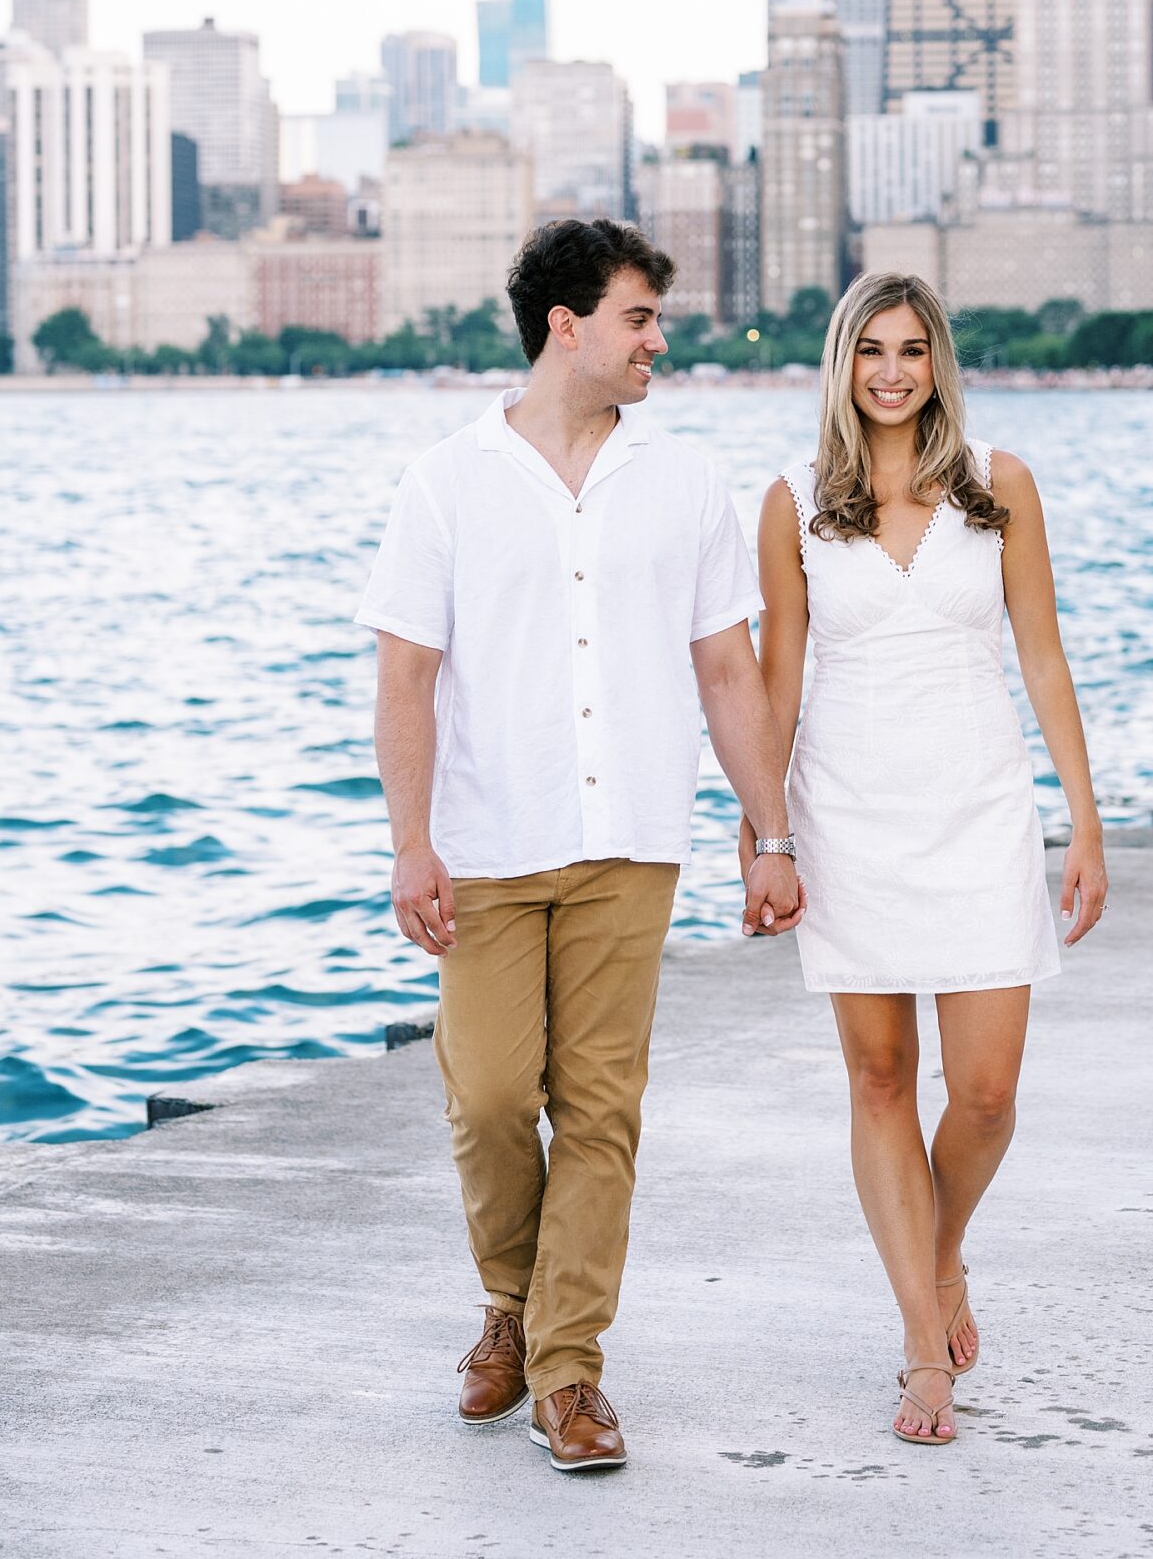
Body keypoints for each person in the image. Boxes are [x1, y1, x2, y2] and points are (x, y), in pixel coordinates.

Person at [358, 218, 802, 1476]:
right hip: (490, 844)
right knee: (492, 1094)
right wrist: (409, 843)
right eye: (638, 317)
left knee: (600, 1109)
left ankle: (565, 1369)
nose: (658, 339)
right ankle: (507, 1300)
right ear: (566, 326)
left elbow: (725, 667)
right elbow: (405, 676)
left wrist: (769, 832)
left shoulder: (683, 481)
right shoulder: (446, 479)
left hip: (632, 838)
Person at [750, 270, 1107, 1447]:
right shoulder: (792, 502)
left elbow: (1042, 659)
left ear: (936, 361)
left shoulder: (998, 484)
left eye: (912, 350)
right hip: (846, 814)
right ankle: (920, 1344)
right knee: (880, 1079)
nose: (892, 371)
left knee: (990, 1091)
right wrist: (764, 833)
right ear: (841, 365)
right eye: (870, 351)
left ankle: (938, 1251)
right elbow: (778, 681)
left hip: (978, 806)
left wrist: (1085, 822)